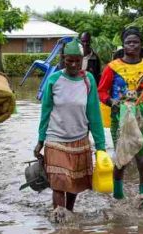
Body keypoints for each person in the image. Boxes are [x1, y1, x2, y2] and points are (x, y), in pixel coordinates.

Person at [34, 38, 106, 213]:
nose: (74, 65)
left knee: (74, 183)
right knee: (59, 184)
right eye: (69, 60)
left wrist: (101, 146)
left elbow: (94, 114)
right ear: (63, 59)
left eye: (77, 61)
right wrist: (40, 140)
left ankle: (70, 214)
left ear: (82, 60)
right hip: (55, 139)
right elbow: (45, 113)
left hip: (79, 140)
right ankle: (60, 222)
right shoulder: (53, 80)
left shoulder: (88, 80)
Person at [97, 28, 143, 200]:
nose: (132, 45)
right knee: (122, 161)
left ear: (141, 45)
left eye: (135, 42)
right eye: (128, 42)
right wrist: (111, 101)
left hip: (142, 116)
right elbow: (101, 91)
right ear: (124, 45)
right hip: (120, 116)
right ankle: (118, 197)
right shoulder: (112, 68)